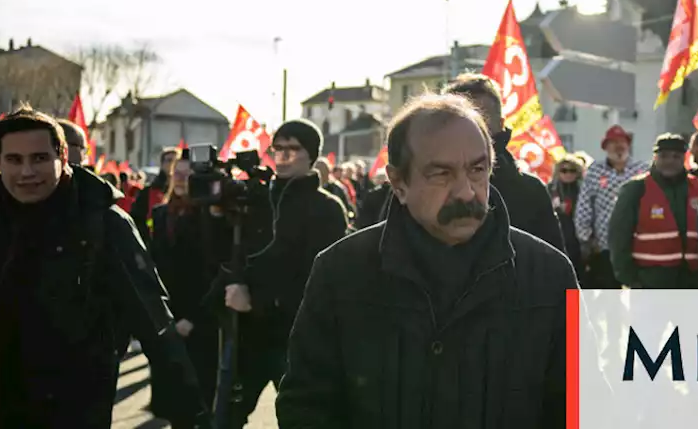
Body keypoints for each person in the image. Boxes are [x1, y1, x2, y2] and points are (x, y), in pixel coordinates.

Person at [275, 93, 578, 426]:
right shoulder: (341, 272)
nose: (466, 191)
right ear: (399, 182)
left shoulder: (549, 275)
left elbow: (581, 409)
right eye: (441, 174)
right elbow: (305, 407)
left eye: (477, 170)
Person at [0, 107, 209, 429]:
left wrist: (191, 411)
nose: (27, 172)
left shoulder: (104, 222)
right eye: (14, 160)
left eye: (39, 158)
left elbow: (153, 320)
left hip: (73, 402)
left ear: (63, 157)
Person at [215, 119, 347, 429]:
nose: (284, 156)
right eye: (278, 149)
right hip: (247, 334)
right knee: (225, 417)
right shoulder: (255, 199)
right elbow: (230, 257)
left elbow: (317, 278)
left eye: (293, 149)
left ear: (311, 155)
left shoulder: (326, 208)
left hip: (296, 337)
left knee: (303, 419)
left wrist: (257, 301)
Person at [442, 74, 566, 251]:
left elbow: (555, 267)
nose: (467, 131)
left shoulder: (530, 191)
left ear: (500, 124)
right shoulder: (419, 187)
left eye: (480, 120)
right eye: (456, 121)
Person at [149, 154, 219, 427]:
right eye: (175, 172)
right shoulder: (160, 213)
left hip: (199, 323)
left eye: (186, 173)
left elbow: (210, 273)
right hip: (167, 321)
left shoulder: (208, 217)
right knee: (175, 409)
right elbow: (155, 270)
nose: (178, 178)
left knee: (200, 405)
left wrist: (193, 317)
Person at [609, 133, 698, 290]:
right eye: (664, 156)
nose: (670, 161)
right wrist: (630, 279)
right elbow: (618, 237)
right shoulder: (635, 189)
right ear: (655, 157)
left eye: (676, 156)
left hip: (694, 281)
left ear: (684, 158)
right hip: (650, 282)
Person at [574, 125, 649, 289]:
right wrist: (586, 238)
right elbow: (584, 206)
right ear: (605, 147)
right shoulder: (595, 171)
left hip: (638, 243)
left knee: (640, 293)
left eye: (622, 141)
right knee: (609, 295)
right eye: (613, 142)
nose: (618, 146)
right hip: (605, 245)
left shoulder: (643, 170)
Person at [129, 146, 178, 245]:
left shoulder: (184, 192)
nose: (172, 164)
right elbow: (136, 219)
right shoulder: (148, 191)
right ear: (162, 164)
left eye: (176, 161)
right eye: (169, 160)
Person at [549, 154, 586, 278]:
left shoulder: (583, 189)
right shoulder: (551, 189)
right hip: (557, 237)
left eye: (572, 170)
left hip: (579, 239)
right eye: (564, 170)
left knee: (578, 275)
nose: (568, 174)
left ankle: (574, 298)